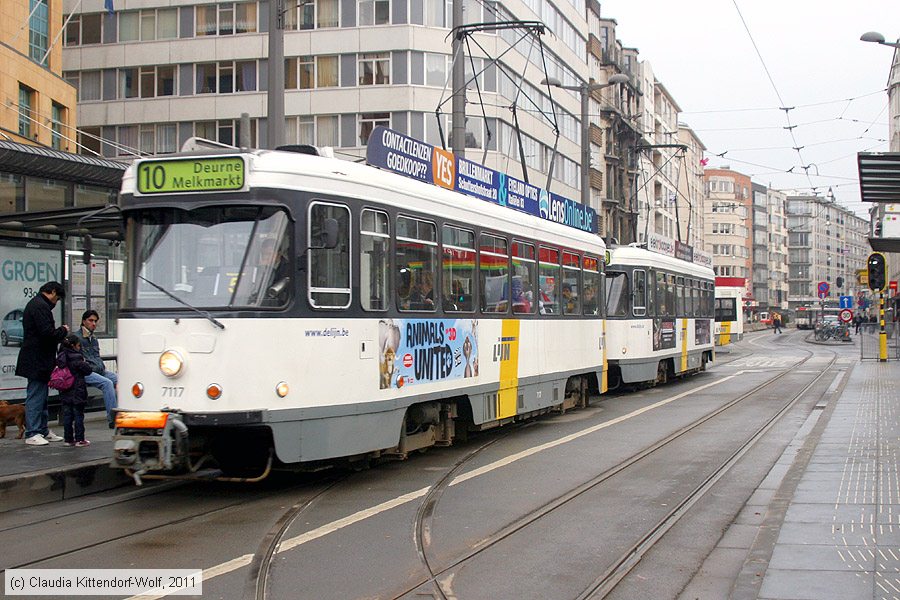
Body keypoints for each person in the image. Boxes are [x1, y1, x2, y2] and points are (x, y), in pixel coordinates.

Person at [15, 281, 69, 446]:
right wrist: (63, 330)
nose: (56, 302)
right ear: (52, 292)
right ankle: (33, 432)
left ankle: (42, 430)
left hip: (40, 359)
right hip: (36, 359)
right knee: (36, 395)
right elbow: (47, 333)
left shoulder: (38, 304)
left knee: (42, 396)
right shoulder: (40, 306)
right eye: (57, 298)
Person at [74, 309, 118, 428]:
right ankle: (113, 419)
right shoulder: (77, 338)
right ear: (84, 321)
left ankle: (123, 413)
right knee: (107, 383)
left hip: (99, 370)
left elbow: (96, 356)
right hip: (86, 372)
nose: (93, 323)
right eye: (90, 320)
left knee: (121, 380)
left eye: (95, 321)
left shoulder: (94, 338)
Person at [55, 334, 94, 447]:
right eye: (78, 345)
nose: (79, 347)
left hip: (65, 391)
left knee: (67, 416)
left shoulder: (61, 357)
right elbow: (88, 370)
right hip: (77, 390)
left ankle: (68, 439)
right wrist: (85, 362)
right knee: (78, 416)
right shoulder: (76, 357)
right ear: (73, 346)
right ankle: (80, 439)